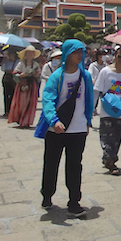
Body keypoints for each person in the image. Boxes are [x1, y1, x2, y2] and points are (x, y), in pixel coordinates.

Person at [39, 38, 93, 218]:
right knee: (51, 164)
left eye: (81, 51)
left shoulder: (85, 76)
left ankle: (74, 201)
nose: (79, 55)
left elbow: (89, 101)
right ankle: (47, 194)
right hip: (57, 129)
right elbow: (47, 100)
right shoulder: (57, 76)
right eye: (76, 52)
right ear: (67, 54)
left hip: (77, 129)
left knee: (74, 166)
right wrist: (53, 120)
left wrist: (87, 122)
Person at [94, 44, 121, 175]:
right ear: (115, 56)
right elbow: (97, 90)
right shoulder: (105, 71)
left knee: (116, 137)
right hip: (106, 109)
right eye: (120, 56)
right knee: (106, 136)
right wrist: (93, 107)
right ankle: (111, 161)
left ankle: (108, 158)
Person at [8, 45, 42, 127]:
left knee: (31, 102)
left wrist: (36, 74)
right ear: (25, 54)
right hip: (22, 84)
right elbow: (15, 73)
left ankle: (27, 121)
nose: (30, 55)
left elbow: (39, 75)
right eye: (29, 53)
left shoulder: (36, 64)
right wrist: (21, 75)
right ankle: (20, 119)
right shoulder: (21, 63)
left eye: (32, 53)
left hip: (32, 84)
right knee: (21, 102)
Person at [0, 48, 18, 117]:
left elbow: (16, 70)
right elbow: (3, 69)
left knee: (13, 95)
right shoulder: (6, 61)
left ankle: (12, 110)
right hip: (7, 79)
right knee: (6, 95)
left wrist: (9, 71)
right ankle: (6, 110)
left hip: (14, 79)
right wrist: (3, 62)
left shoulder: (17, 61)